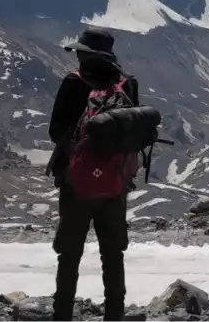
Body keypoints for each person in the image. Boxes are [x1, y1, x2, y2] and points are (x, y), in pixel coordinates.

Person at [46, 27, 141, 322]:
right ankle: (115, 315)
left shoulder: (74, 83)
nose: (76, 55)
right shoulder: (128, 84)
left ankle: (62, 315)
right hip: (115, 184)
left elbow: (56, 131)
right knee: (113, 254)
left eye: (79, 51)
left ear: (87, 54)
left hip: (77, 185)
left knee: (70, 254)